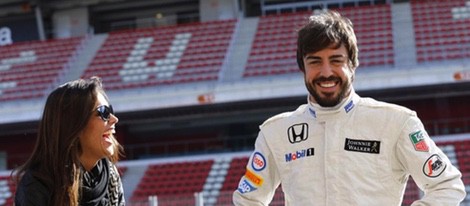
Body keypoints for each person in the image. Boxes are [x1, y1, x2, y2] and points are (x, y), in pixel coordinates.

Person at [233, 10, 466, 205]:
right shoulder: (276, 132)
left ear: (352, 64)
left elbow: (447, 185)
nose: (326, 72)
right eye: (315, 61)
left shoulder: (396, 122)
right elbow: (248, 200)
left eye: (336, 60)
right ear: (302, 67)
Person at [14, 77, 125, 205]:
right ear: (73, 124)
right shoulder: (37, 186)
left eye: (110, 110)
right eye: (104, 112)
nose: (114, 119)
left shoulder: (110, 176)